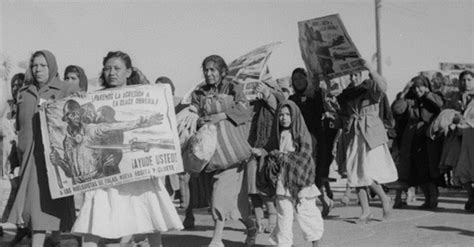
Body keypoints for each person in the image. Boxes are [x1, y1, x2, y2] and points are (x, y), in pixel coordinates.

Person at [72, 51, 183, 247]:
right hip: (105, 173)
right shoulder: (94, 100)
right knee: (95, 217)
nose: (111, 73)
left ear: (128, 71)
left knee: (148, 213)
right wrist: (80, 99)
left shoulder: (142, 97)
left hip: (135, 171)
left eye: (117, 68)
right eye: (107, 68)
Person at [7, 50, 78, 247]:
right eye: (34, 65)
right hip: (31, 159)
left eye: (43, 65)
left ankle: (54, 241)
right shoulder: (24, 93)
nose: (38, 69)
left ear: (52, 67)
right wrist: (15, 157)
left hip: (56, 158)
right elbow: (19, 129)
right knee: (36, 204)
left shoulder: (66, 89)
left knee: (57, 204)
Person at [188, 55, 255, 247]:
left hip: (231, 154)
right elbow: (193, 114)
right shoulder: (199, 93)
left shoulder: (233, 88)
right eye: (206, 70)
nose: (209, 74)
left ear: (222, 71)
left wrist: (222, 115)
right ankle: (251, 226)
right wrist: (198, 120)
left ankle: (216, 241)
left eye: (213, 70)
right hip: (209, 155)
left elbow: (244, 110)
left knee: (219, 196)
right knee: (236, 203)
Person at [252, 100, 324, 247]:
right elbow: (269, 148)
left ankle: (316, 244)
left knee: (307, 213)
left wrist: (283, 156)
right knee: (284, 216)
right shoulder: (278, 135)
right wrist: (262, 152)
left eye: (287, 114)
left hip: (301, 182)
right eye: (281, 115)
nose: (284, 118)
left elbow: (304, 157)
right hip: (282, 181)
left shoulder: (303, 135)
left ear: (295, 116)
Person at [336, 61, 397, 222]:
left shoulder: (371, 88)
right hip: (354, 135)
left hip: (371, 135)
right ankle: (366, 211)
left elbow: (382, 87)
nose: (353, 77)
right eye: (351, 74)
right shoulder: (347, 93)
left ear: (363, 74)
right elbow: (341, 112)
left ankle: (384, 198)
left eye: (356, 74)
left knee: (367, 172)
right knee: (355, 173)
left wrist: (371, 69)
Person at [392, 75, 445, 209]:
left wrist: (427, 93)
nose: (417, 90)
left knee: (430, 169)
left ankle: (432, 198)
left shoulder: (434, 96)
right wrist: (404, 93)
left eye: (420, 86)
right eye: (414, 87)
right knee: (418, 169)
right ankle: (427, 199)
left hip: (429, 138)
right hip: (412, 140)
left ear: (426, 86)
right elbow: (397, 109)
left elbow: (440, 104)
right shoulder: (409, 99)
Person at [289, 68, 335, 217]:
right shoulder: (291, 99)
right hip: (297, 141)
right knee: (300, 175)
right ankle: (321, 201)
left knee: (311, 174)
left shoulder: (315, 94)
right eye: (295, 79)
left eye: (301, 78)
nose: (298, 81)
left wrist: (318, 88)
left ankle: (323, 200)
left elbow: (322, 110)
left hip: (315, 140)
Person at [246, 79, 284, 233]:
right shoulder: (257, 104)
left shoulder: (276, 101)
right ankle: (259, 222)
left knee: (265, 189)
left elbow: (276, 104)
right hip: (253, 149)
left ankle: (273, 221)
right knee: (252, 189)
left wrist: (268, 93)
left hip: (269, 151)